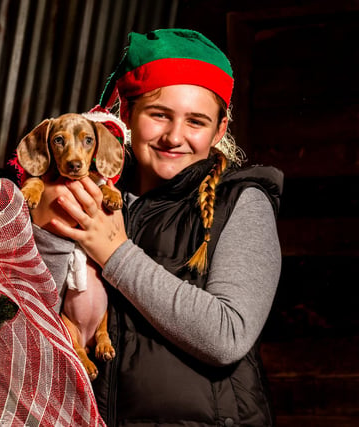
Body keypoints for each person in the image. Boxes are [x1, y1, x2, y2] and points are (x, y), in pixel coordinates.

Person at [29, 29, 283, 426]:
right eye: (159, 114)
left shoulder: (242, 202)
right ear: (126, 116)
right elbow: (36, 310)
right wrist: (49, 230)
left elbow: (227, 335)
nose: (174, 136)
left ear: (219, 131)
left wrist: (116, 253)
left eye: (196, 121)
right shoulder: (96, 192)